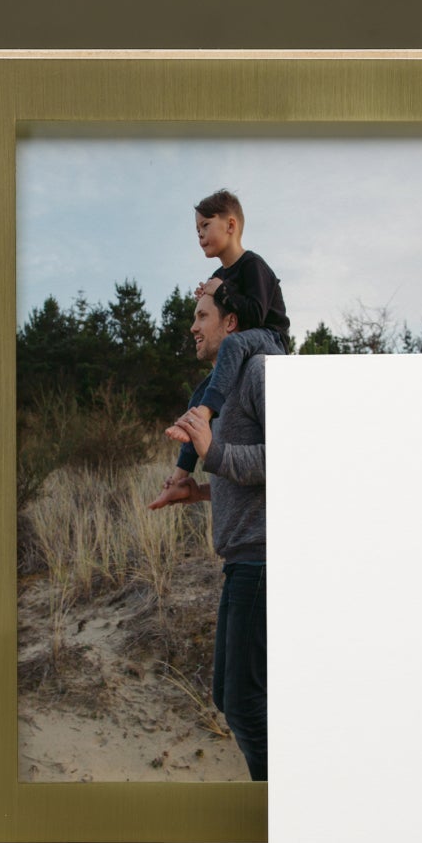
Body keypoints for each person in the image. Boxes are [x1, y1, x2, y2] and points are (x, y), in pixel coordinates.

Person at [149, 278, 279, 781]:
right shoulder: (222, 391)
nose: (192, 326)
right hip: (241, 561)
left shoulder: (262, 372)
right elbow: (243, 478)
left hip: (266, 560)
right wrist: (196, 491)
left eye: (202, 316)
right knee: (229, 697)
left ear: (231, 323)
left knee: (246, 705)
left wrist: (211, 453)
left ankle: (280, 809)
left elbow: (294, 456)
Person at [162, 189, 290, 473]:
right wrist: (208, 294)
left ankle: (205, 413)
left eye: (205, 225)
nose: (199, 235)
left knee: (231, 348)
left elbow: (255, 315)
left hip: (270, 339)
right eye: (197, 229)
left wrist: (222, 291)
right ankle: (181, 474)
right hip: (245, 345)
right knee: (200, 391)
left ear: (230, 226)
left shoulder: (252, 265)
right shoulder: (218, 276)